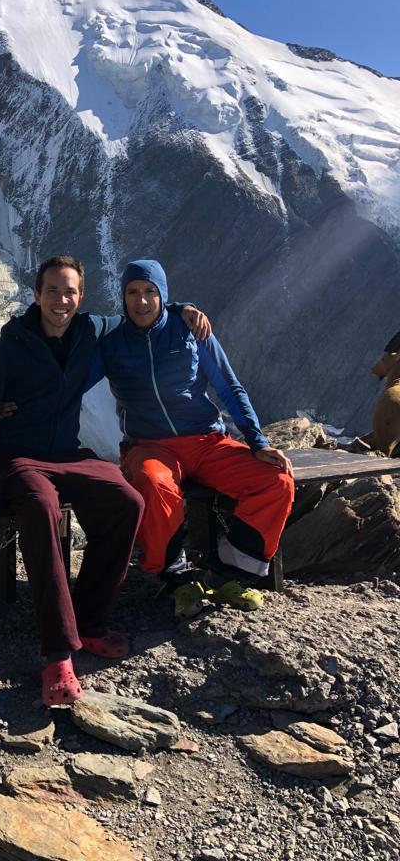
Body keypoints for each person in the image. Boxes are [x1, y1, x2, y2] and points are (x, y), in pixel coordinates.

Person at [0, 254, 210, 706]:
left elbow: (142, 308)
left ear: (81, 296)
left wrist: (180, 309)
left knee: (126, 502)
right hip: (20, 456)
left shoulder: (90, 330)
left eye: (71, 291)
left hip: (69, 453)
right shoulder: (8, 349)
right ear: (36, 294)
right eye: (53, 291)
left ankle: (91, 621)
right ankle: (57, 653)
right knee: (42, 511)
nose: (62, 300)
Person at [97, 259, 294, 618]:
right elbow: (70, 378)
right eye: (133, 293)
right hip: (149, 445)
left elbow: (228, 386)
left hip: (206, 441)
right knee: (153, 484)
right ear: (122, 298)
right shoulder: (111, 341)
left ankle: (232, 575)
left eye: (150, 292)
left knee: (275, 480)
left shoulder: (190, 330)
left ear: (163, 294)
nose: (142, 302)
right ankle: (177, 579)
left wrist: (258, 442)